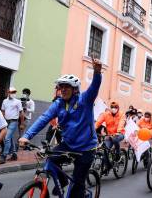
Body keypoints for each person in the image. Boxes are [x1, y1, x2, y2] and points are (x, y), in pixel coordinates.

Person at [19, 58, 102, 197]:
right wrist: (27, 136)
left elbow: (94, 87)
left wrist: (97, 72)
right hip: (68, 144)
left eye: (67, 86)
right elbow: (44, 118)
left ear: (75, 89)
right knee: (51, 160)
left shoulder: (85, 100)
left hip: (86, 148)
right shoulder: (58, 104)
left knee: (77, 186)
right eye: (61, 86)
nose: (62, 89)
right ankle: (61, 183)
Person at [95, 101, 125, 170]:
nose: (113, 109)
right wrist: (92, 129)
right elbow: (98, 122)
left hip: (119, 134)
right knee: (105, 149)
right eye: (112, 107)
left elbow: (121, 122)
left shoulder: (121, 114)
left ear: (118, 108)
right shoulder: (105, 114)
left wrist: (118, 131)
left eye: (115, 107)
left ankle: (118, 154)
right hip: (110, 135)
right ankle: (108, 166)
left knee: (115, 139)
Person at [0, 87, 24, 164]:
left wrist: (22, 123)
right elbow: (2, 111)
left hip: (14, 121)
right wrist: (0, 121)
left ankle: (4, 156)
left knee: (7, 138)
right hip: (6, 121)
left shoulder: (17, 102)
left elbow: (21, 113)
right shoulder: (5, 101)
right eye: (11, 92)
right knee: (9, 138)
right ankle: (14, 154)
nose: (13, 93)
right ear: (8, 92)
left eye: (14, 92)